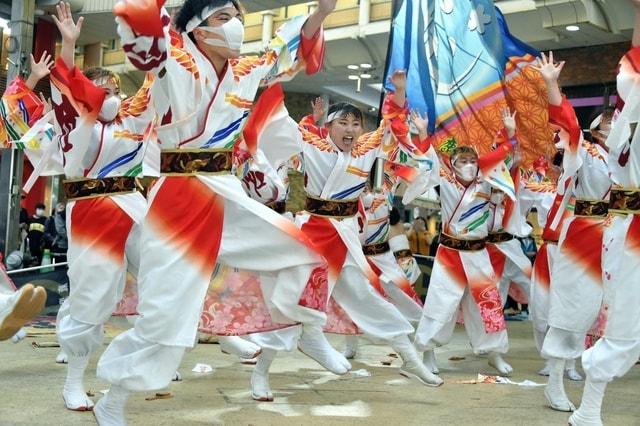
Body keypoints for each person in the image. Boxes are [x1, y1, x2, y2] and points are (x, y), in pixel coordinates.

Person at [94, 0, 342, 422]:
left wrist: (320, 14)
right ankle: (113, 397)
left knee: (307, 254)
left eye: (238, 20)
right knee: (166, 313)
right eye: (223, 20)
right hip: (180, 197)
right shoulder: (175, 57)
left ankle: (306, 328)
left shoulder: (245, 71)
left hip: (227, 191)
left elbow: (285, 52)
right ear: (195, 29)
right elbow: (147, 39)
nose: (236, 29)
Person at [46, 2, 158, 412]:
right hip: (93, 208)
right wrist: (70, 47)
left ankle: (167, 351)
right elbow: (68, 87)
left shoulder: (132, 118)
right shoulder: (75, 118)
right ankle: (74, 381)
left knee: (168, 270)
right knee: (92, 296)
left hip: (135, 205)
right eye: (103, 91)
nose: (112, 96)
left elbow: (157, 80)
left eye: (115, 90)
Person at [569, 2, 640, 423]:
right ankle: (585, 406)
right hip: (625, 233)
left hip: (609, 231)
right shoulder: (623, 134)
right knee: (623, 322)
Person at [531, 51, 611, 412]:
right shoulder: (588, 151)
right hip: (583, 235)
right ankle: (557, 380)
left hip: (618, 237)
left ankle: (593, 391)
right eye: (608, 122)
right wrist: (551, 84)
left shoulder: (631, 157)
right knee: (570, 310)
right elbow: (569, 126)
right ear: (596, 130)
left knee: (609, 313)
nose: (616, 125)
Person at [412, 108, 518, 376]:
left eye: (473, 160)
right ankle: (428, 352)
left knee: (487, 302)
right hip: (450, 253)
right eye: (462, 160)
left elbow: (506, 158)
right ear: (453, 163)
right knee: (440, 301)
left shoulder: (486, 181)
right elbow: (431, 154)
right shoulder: (445, 179)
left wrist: (509, 132)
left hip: (479, 252)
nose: (468, 164)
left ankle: (494, 353)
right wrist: (425, 131)